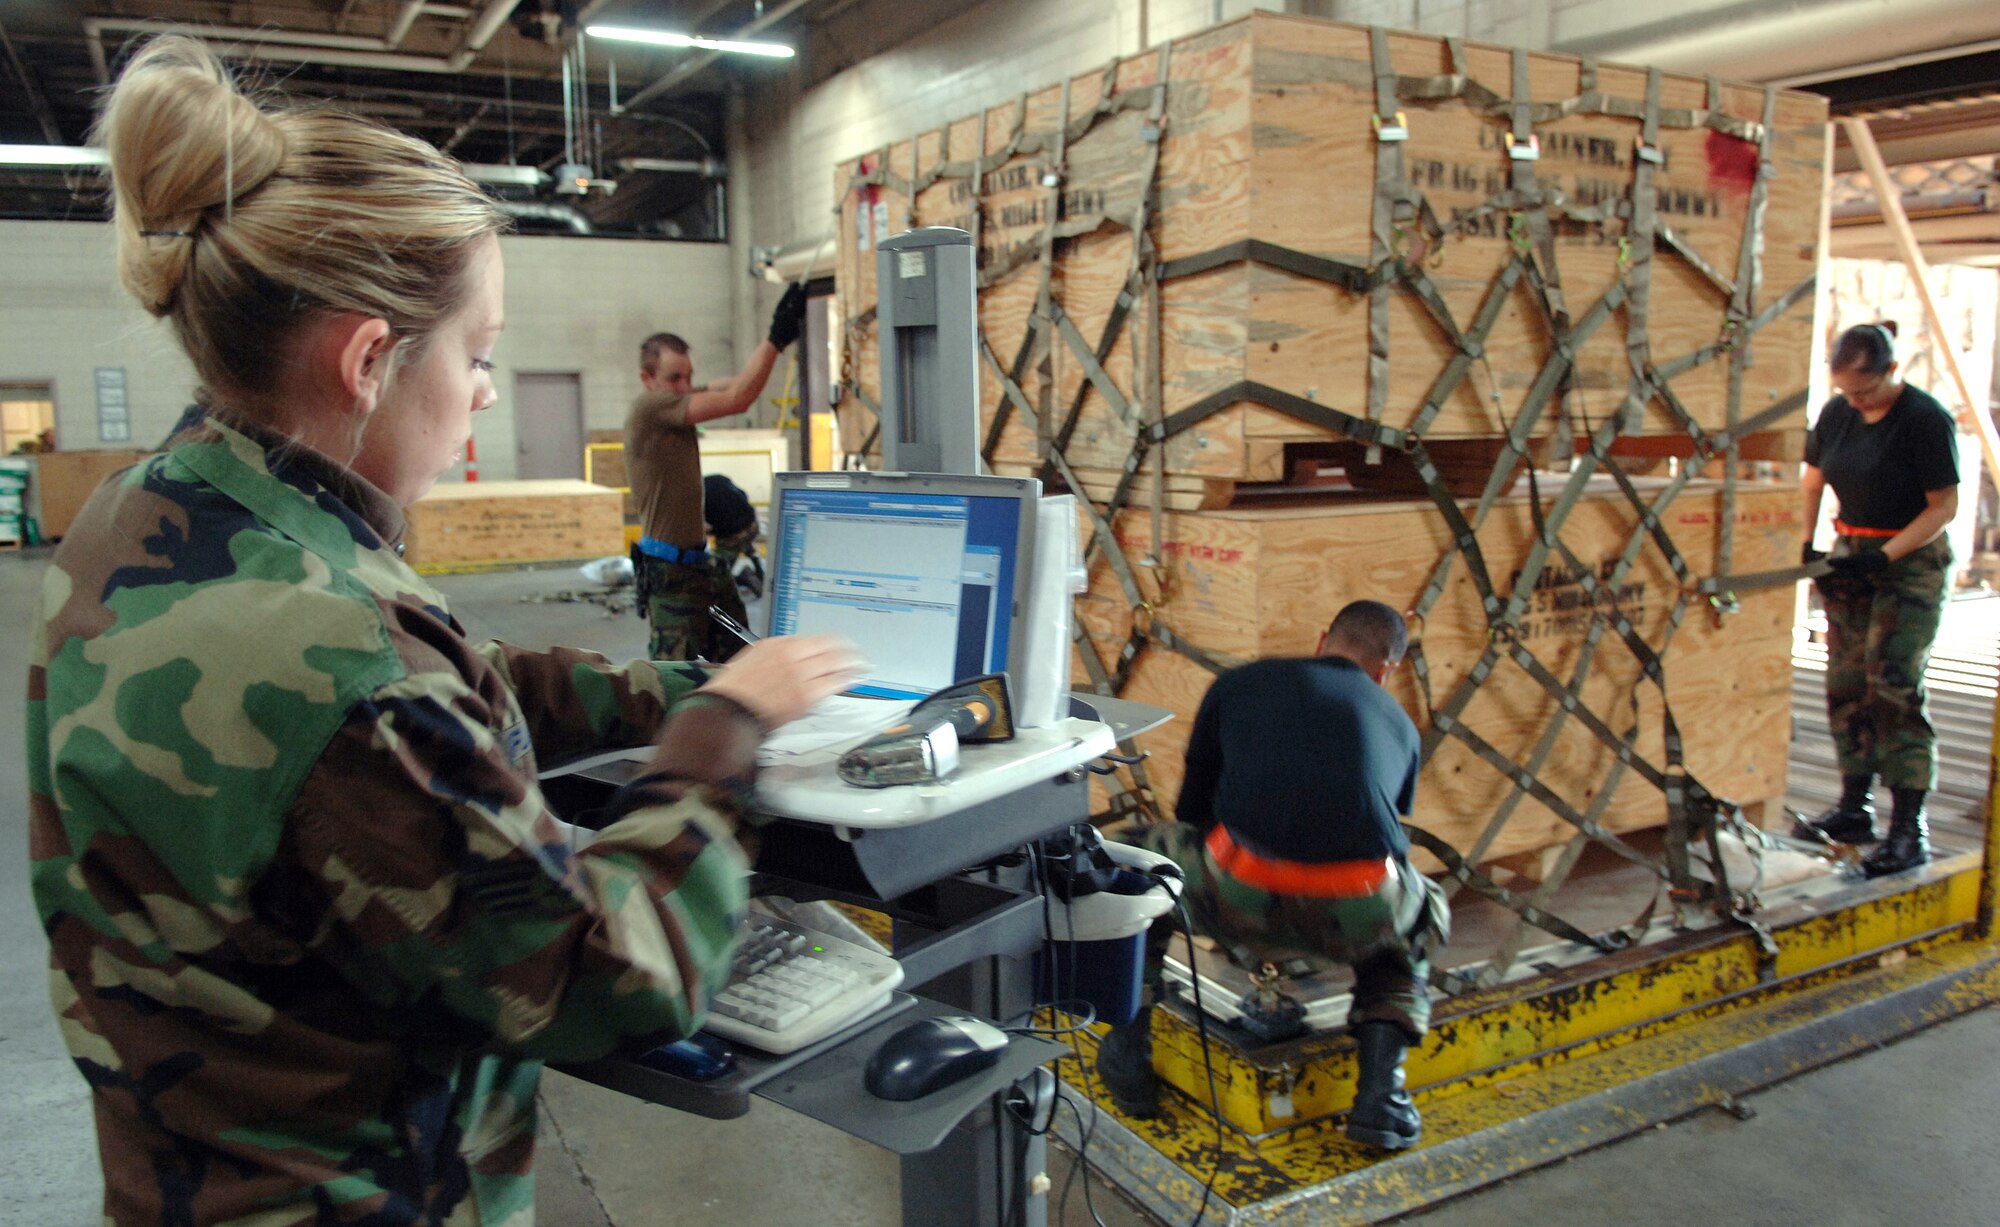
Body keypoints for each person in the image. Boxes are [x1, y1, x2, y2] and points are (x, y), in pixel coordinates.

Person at [26, 37, 858, 1226]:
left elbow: (449, 683)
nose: (482, 390)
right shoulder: (352, 673)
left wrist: (665, 692)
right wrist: (717, 745)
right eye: (477, 354)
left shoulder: (156, 513)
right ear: (368, 359)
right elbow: (608, 978)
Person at [1098, 600, 1450, 1150]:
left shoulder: (1243, 682)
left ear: (1320, 639)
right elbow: (1379, 828)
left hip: (1236, 887)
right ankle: (1383, 1097)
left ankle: (1127, 1055)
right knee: (1417, 919)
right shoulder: (1401, 725)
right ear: (1388, 670)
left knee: (1137, 859)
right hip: (1356, 909)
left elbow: (1193, 811)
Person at [1797, 320, 1961, 877]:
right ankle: (1853, 809)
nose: (1856, 401)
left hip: (1908, 562)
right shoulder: (1837, 414)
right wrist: (1805, 542)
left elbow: (1943, 508)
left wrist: (1886, 556)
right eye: (1846, 391)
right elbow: (1814, 478)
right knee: (1845, 682)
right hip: (1850, 556)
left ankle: (1908, 828)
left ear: (1893, 372)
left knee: (1891, 684)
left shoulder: (1923, 419)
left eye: (1866, 391)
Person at [626, 287, 805, 661]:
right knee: (672, 685)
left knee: (744, 663)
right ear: (648, 379)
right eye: (675, 378)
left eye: (689, 377)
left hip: (699, 565)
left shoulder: (676, 397)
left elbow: (733, 385)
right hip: (670, 574)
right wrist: (776, 339)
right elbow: (739, 397)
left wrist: (773, 342)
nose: (685, 387)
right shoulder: (651, 407)